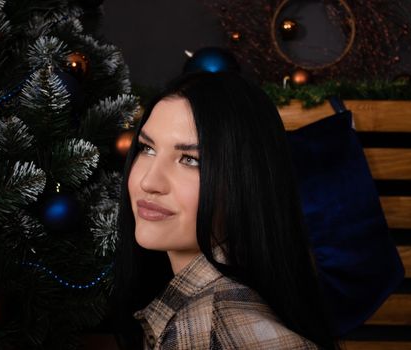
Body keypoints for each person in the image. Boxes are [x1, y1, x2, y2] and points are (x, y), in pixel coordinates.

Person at [112, 72, 337, 349]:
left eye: (190, 160)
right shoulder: (195, 309)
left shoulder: (211, 330)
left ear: (244, 181)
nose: (149, 182)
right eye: (147, 148)